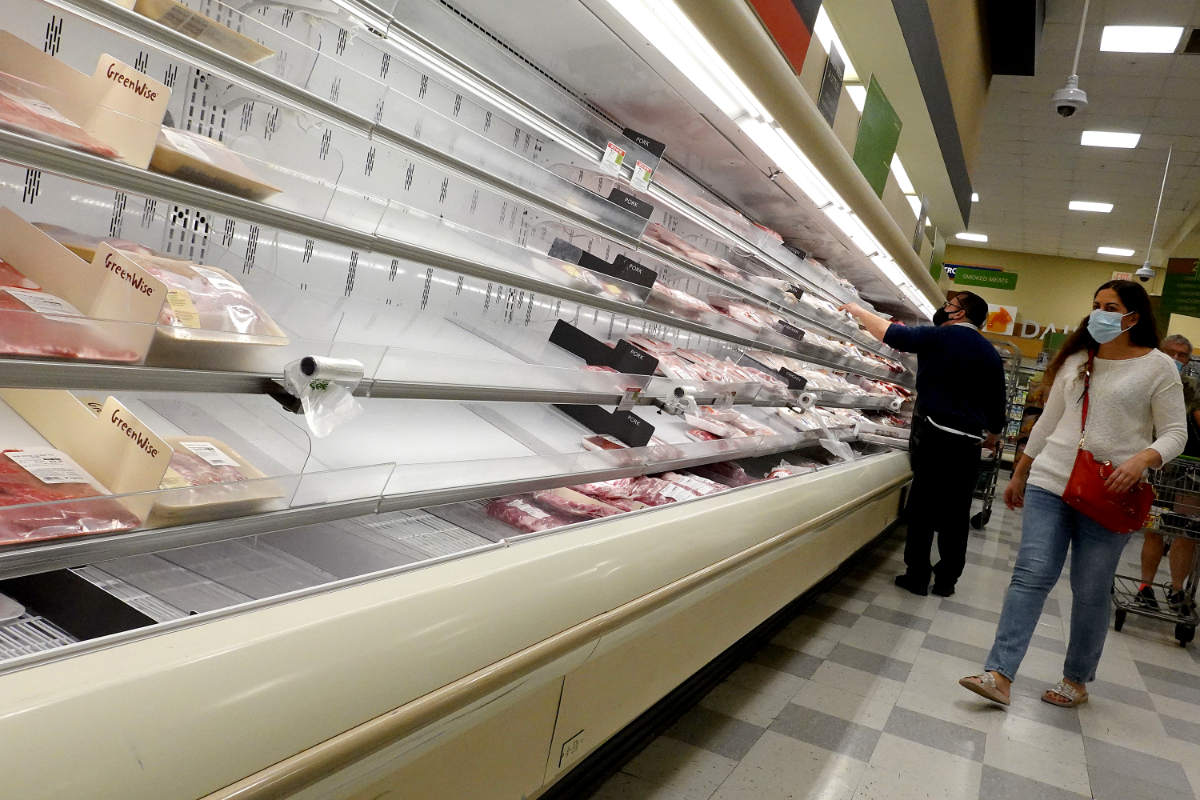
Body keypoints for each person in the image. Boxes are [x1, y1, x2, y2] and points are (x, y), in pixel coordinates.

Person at [959, 280, 1186, 709]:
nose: (1100, 313)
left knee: (1090, 588)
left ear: (1133, 317)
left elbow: (1175, 432)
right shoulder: (1079, 359)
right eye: (1096, 304)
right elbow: (1048, 421)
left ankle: (1076, 679)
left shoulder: (1158, 368)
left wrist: (1141, 460)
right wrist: (1021, 471)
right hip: (1051, 480)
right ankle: (999, 673)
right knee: (1031, 574)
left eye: (1111, 307)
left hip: (1110, 489)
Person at [842, 291, 1007, 597]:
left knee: (924, 507)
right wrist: (993, 436)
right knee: (957, 513)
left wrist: (857, 310)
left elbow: (891, 334)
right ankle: (947, 580)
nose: (943, 309)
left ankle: (917, 575)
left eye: (949, 306)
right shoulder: (990, 353)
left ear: (958, 314)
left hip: (936, 433)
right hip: (969, 442)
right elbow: (998, 402)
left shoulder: (939, 337)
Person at [1137, 334, 1199, 611]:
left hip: (1188, 472)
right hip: (1153, 466)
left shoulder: (1193, 389)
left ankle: (1176, 590)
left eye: (1182, 355)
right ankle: (1145, 587)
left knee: (1186, 532)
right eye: (1170, 352)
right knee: (1154, 529)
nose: (1176, 359)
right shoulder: (1142, 379)